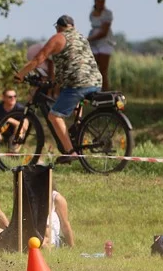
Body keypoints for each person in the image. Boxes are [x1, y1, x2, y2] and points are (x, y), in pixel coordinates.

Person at [15, 15, 102, 165]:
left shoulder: (58, 38)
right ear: (72, 26)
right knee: (72, 105)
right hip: (95, 81)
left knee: (54, 116)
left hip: (77, 84)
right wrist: (55, 80)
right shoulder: (81, 37)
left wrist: (20, 74)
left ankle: (70, 152)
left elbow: (38, 59)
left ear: (58, 27)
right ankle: (78, 129)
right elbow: (73, 61)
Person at [0, 188, 75, 248]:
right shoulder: (27, 198)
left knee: (43, 246)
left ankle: (6, 245)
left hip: (46, 240)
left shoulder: (56, 198)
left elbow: (64, 225)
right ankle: (8, 245)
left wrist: (72, 247)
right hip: (25, 237)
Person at [88, 0, 114, 91]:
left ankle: (105, 91)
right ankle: (95, 90)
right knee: (93, 68)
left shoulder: (107, 13)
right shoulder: (92, 13)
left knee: (103, 70)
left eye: (103, 1)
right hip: (94, 43)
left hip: (104, 42)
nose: (101, 3)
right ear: (95, 1)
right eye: (99, 1)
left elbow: (103, 32)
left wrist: (89, 39)